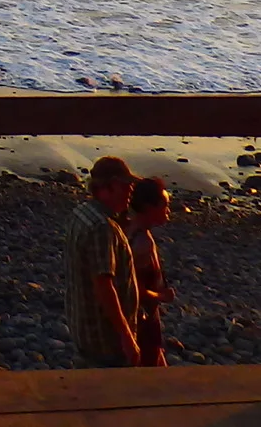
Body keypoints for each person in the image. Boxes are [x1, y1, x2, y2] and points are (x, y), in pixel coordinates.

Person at [62, 155, 142, 370]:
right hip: (105, 341)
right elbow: (104, 286)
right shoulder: (102, 227)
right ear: (109, 187)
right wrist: (126, 337)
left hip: (83, 329)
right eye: (126, 185)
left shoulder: (81, 214)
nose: (130, 191)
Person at [128, 175, 176, 366]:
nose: (168, 211)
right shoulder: (142, 243)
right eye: (164, 205)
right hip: (142, 320)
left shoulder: (131, 231)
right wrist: (161, 296)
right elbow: (134, 290)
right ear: (149, 208)